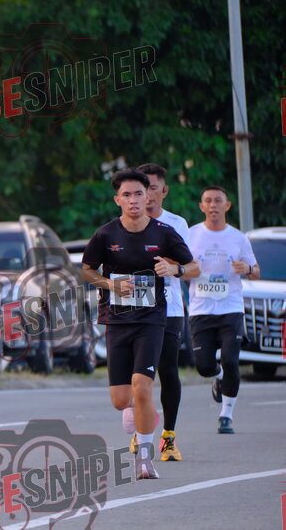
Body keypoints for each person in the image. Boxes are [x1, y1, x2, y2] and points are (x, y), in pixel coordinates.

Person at [81, 168, 196, 479]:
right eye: (127, 195)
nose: (133, 200)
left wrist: (175, 270)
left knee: (143, 386)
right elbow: (87, 270)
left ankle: (145, 456)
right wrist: (109, 284)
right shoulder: (106, 234)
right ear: (117, 199)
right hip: (117, 320)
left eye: (139, 194)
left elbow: (193, 266)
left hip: (151, 319)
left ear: (149, 197)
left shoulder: (164, 233)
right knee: (121, 400)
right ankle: (139, 409)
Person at [130, 163, 200, 461]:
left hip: (169, 306)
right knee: (136, 374)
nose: (147, 196)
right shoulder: (126, 223)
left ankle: (168, 437)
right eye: (142, 190)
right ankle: (140, 429)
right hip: (134, 306)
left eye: (153, 189)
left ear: (164, 191)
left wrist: (174, 267)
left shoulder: (176, 224)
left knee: (167, 370)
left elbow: (191, 267)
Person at [187, 185, 260, 434]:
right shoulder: (191, 235)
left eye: (218, 200)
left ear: (227, 205)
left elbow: (256, 271)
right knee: (204, 366)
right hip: (201, 310)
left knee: (230, 360)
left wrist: (247, 269)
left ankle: (226, 415)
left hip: (231, 309)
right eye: (208, 200)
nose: (213, 205)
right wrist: (187, 270)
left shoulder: (238, 238)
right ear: (202, 206)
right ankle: (217, 377)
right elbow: (179, 268)